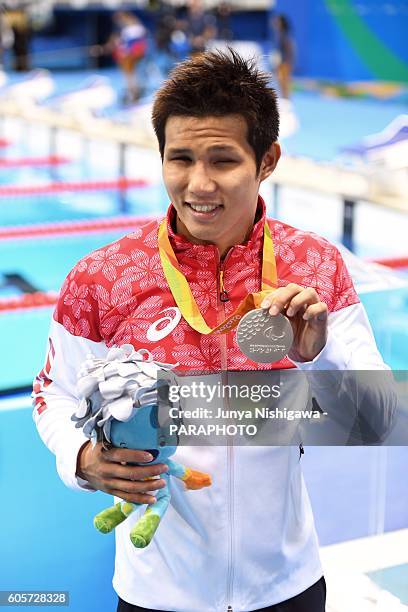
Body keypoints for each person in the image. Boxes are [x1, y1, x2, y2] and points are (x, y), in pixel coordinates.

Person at [33, 49, 392, 612]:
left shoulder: (315, 265)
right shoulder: (103, 277)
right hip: (156, 591)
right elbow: (52, 394)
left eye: (222, 160)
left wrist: (316, 356)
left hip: (287, 583)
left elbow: (375, 415)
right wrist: (80, 456)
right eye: (180, 159)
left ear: (267, 159)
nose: (198, 184)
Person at [272, 14, 295, 99]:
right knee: (281, 82)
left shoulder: (285, 35)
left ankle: (286, 99)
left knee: (284, 82)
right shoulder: (279, 34)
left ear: (281, 23)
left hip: (285, 62)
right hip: (282, 61)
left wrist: (286, 62)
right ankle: (285, 98)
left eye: (277, 21)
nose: (275, 22)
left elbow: (289, 49)